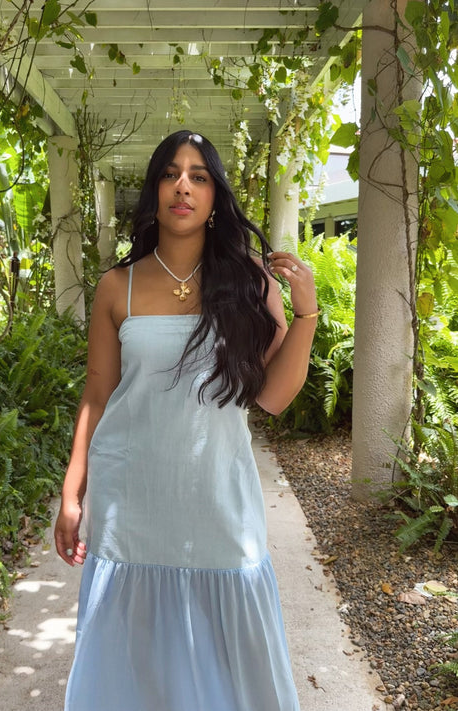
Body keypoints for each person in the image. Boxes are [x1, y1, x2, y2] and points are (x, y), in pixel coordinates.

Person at [54, 130, 318, 711]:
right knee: (134, 663)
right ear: (154, 191)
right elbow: (97, 394)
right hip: (130, 501)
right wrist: (73, 492)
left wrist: (306, 315)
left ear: (215, 196)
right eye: (171, 174)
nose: (183, 186)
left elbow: (273, 397)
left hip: (219, 500)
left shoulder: (250, 284)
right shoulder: (116, 287)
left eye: (199, 176)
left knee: (229, 659)